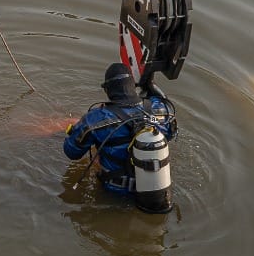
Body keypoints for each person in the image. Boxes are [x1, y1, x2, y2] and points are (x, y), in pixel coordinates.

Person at [63, 63, 177, 196]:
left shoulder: (96, 118)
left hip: (115, 191)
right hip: (155, 190)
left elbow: (71, 152)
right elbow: (170, 133)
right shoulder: (163, 110)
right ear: (134, 86)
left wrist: (77, 129)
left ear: (107, 90)